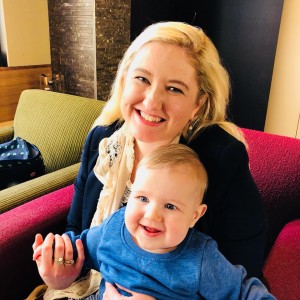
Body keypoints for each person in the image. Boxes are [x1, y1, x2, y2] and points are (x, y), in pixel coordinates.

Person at [31, 21, 267, 299]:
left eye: (175, 89)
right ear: (124, 79)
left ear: (197, 104)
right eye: (142, 79)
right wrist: (65, 270)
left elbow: (243, 281)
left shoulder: (222, 159)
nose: (152, 102)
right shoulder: (102, 140)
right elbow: (77, 230)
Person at [33, 144, 274, 300]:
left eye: (170, 206)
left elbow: (243, 292)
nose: (152, 215)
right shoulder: (114, 228)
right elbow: (78, 246)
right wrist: (53, 252)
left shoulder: (200, 258)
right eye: (143, 198)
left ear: (195, 216)